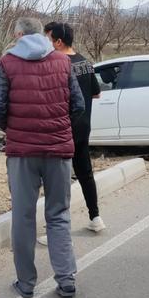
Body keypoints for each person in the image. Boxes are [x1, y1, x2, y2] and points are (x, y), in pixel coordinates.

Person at [0, 18, 85, 298]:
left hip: (22, 152)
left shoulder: (7, 63)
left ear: (19, 34)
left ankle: (26, 282)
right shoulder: (62, 62)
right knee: (58, 214)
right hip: (58, 150)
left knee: (23, 216)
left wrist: (14, 129)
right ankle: (66, 277)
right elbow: (77, 105)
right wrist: (58, 126)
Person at [44, 22, 105, 233]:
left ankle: (57, 229)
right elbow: (97, 93)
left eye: (48, 39)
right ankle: (95, 217)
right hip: (83, 126)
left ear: (58, 42)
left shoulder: (56, 63)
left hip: (62, 128)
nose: (47, 44)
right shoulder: (86, 63)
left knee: (58, 178)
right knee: (85, 173)